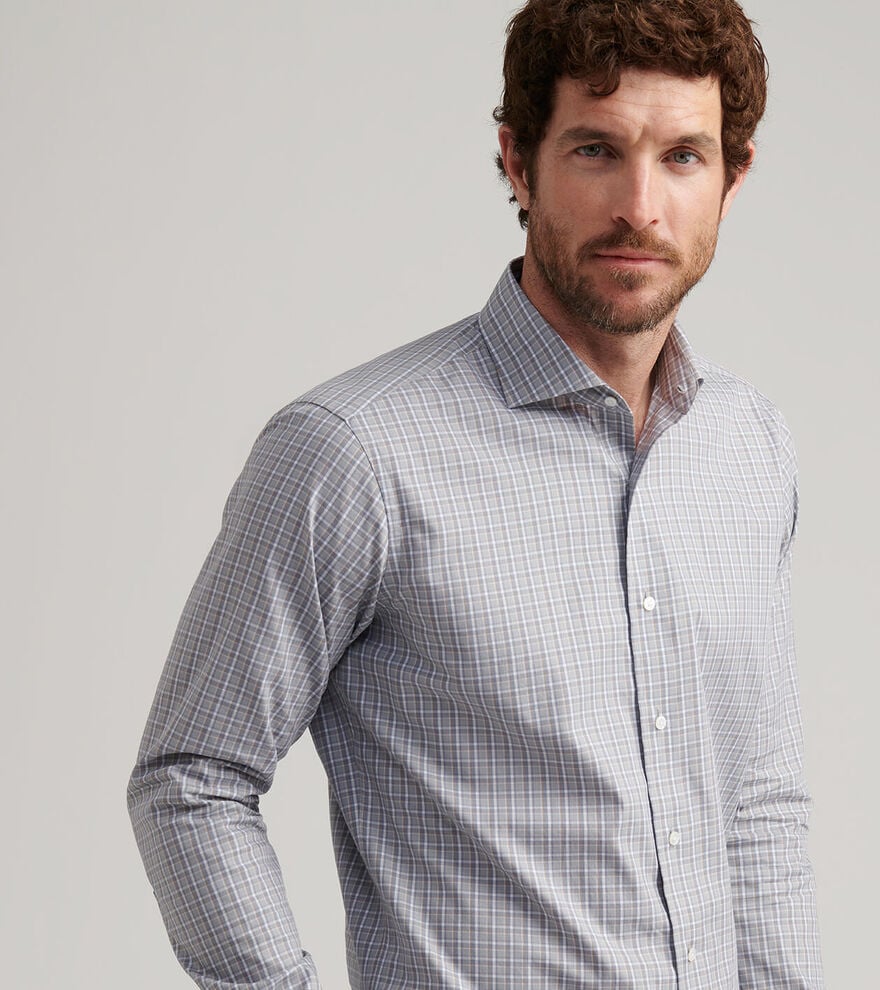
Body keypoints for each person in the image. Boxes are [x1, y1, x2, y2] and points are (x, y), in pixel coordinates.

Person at [127, 1, 824, 987]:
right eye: (595, 149)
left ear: (731, 178)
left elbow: (756, 804)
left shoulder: (746, 445)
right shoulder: (354, 452)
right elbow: (192, 779)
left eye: (682, 157)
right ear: (517, 161)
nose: (640, 205)